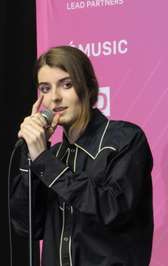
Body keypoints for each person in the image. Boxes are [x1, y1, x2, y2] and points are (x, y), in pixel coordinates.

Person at [10, 46, 153, 266]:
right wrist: (31, 156)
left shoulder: (125, 139)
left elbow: (113, 209)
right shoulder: (52, 156)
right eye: (45, 89)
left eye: (66, 85)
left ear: (88, 87)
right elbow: (26, 225)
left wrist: (46, 163)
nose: (55, 98)